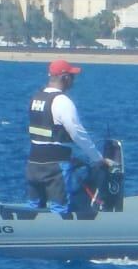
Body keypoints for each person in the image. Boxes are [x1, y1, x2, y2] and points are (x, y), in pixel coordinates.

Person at [26, 59, 112, 214]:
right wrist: (98, 159)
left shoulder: (36, 98)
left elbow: (46, 133)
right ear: (65, 77)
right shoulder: (62, 101)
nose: (74, 80)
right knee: (59, 208)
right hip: (55, 168)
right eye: (72, 76)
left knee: (34, 207)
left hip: (33, 164)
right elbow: (78, 133)